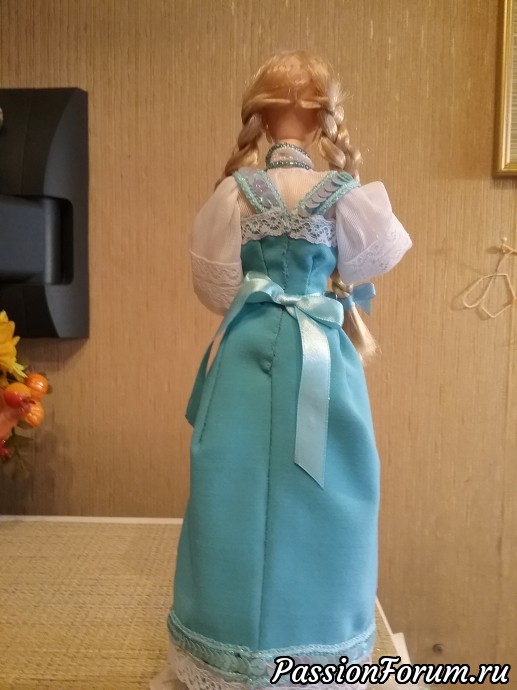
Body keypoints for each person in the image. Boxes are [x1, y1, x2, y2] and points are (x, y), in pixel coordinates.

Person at [151, 51, 413, 690]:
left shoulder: (235, 193)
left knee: (232, 483)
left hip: (249, 345)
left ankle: (225, 640)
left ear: (261, 117)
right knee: (329, 489)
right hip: (320, 347)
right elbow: (376, 258)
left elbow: (216, 287)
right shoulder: (342, 192)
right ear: (323, 116)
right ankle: (319, 639)